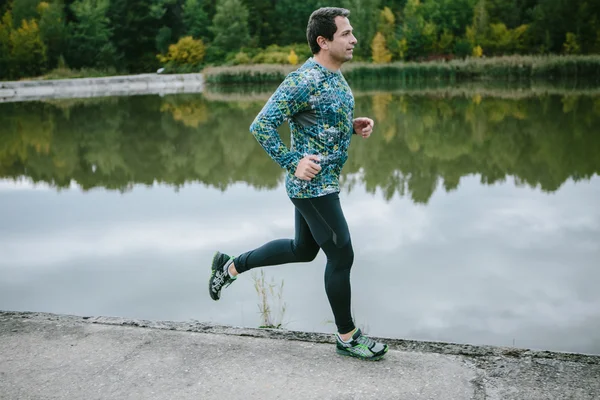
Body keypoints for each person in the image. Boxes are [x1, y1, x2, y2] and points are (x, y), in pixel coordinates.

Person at [208, 7, 388, 361]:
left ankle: (229, 266)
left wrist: (351, 125)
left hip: (327, 182)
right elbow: (261, 125)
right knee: (341, 251)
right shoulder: (301, 80)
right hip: (312, 187)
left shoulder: (334, 75)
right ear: (323, 41)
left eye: (352, 33)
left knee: (302, 250)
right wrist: (293, 162)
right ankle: (348, 336)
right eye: (345, 34)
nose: (354, 39)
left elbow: (318, 118)